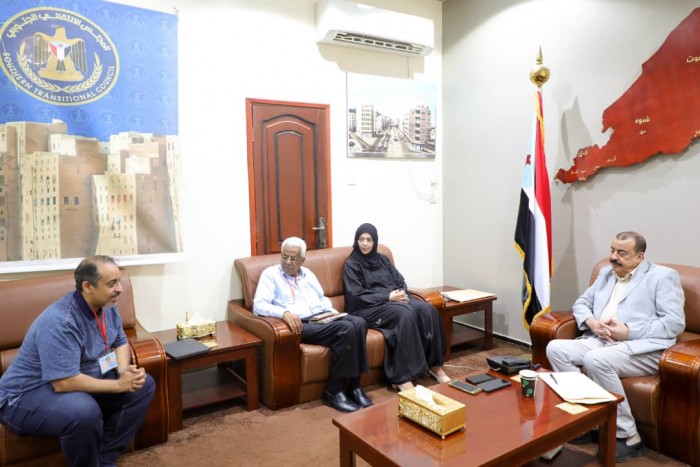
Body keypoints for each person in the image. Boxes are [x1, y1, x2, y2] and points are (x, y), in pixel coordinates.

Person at [0, 255, 156, 467]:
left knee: (143, 385)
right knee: (83, 411)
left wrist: (123, 372)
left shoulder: (108, 306)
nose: (119, 289)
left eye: (119, 281)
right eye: (111, 283)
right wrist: (119, 385)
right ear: (87, 287)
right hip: (24, 396)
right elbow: (64, 382)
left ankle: (104, 459)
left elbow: (120, 341)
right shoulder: (61, 321)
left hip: (76, 382)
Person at [546, 231, 685, 463]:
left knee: (596, 359)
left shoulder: (662, 277)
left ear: (639, 256)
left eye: (621, 253)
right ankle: (587, 420)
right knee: (556, 349)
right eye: (612, 250)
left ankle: (628, 435)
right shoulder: (605, 273)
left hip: (643, 347)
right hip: (601, 339)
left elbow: (674, 323)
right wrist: (592, 322)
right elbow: (581, 303)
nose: (613, 257)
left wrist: (628, 331)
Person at [253, 237, 372, 413]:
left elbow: (322, 299)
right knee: (346, 329)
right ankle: (334, 392)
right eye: (284, 257)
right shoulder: (271, 275)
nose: (288, 262)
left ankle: (354, 385)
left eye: (293, 258)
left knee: (359, 323)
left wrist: (334, 314)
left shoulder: (308, 274)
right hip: (299, 325)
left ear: (302, 260)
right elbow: (258, 305)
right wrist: (284, 313)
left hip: (322, 318)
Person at [343, 223, 450, 392]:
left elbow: (400, 281)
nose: (364, 243)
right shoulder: (352, 264)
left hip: (392, 301)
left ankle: (434, 365)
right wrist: (388, 297)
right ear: (356, 241)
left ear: (375, 241)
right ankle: (402, 376)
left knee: (428, 310)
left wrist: (401, 294)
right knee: (405, 314)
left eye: (369, 240)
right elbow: (355, 295)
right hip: (365, 307)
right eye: (361, 239)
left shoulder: (383, 259)